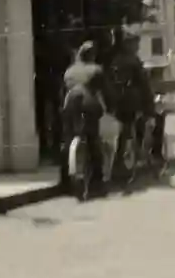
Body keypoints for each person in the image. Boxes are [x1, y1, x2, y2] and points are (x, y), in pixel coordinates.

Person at [59, 40, 108, 197]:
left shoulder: (69, 71)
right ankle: (97, 184)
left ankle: (65, 181)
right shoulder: (96, 69)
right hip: (88, 104)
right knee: (93, 140)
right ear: (93, 55)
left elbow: (63, 91)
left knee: (67, 140)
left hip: (70, 104)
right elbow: (105, 92)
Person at [107, 31, 155, 176]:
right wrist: (149, 105)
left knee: (124, 129)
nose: (137, 46)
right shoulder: (133, 60)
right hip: (131, 101)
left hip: (117, 100)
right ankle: (139, 153)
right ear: (128, 44)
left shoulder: (115, 59)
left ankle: (120, 159)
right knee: (140, 123)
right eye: (135, 43)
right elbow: (143, 84)